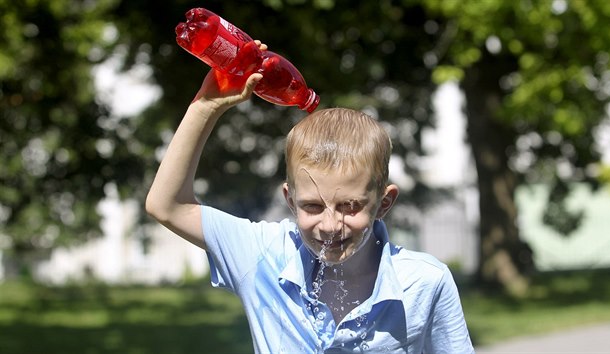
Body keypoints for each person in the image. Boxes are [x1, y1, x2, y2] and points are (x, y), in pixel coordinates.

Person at [146, 41, 475, 353]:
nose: (331, 225)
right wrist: (207, 106)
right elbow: (167, 205)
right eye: (313, 206)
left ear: (383, 203)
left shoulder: (423, 282)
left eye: (350, 206)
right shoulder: (264, 256)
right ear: (290, 200)